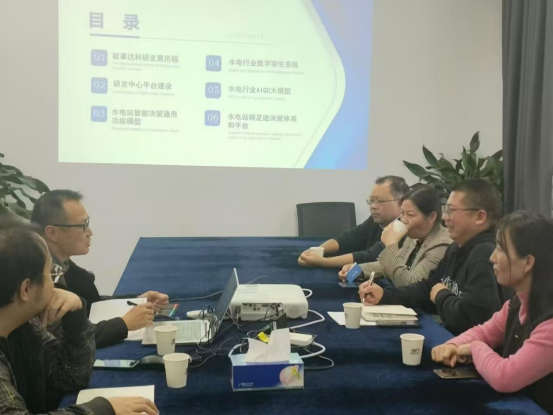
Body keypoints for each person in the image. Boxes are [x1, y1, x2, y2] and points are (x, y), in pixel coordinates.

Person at [0, 220, 159, 414]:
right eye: (51, 273)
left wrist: (75, 316)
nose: (55, 283)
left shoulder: (24, 324)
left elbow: (72, 376)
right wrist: (102, 409)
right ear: (26, 289)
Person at [431, 212, 553, 413]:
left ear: (528, 262)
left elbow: (506, 377)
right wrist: (453, 345)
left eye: (500, 249)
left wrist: (474, 348)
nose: (492, 257)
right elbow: (484, 332)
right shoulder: (517, 303)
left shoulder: (549, 324)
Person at [359, 179, 505, 335]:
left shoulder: (485, 254)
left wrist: (441, 295)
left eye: (452, 211)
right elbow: (427, 288)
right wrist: (386, 296)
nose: (445, 218)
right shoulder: (457, 247)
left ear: (480, 217)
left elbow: (473, 319)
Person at [31, 190, 169, 348]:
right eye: (82, 226)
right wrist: (123, 324)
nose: (89, 233)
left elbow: (90, 302)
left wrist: (136, 300)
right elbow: (65, 341)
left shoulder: (61, 264)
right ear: (53, 233)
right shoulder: (40, 277)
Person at [338, 186, 452, 287]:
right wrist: (358, 270)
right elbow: (391, 266)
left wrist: (390, 245)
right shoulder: (414, 236)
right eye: (402, 213)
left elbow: (411, 284)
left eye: (410, 215)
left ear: (432, 217)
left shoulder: (441, 246)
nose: (404, 220)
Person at [298, 176, 409, 268]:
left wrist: (323, 262)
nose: (373, 206)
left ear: (401, 203)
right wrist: (317, 251)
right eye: (371, 201)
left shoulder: (404, 229)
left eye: (380, 201)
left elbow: (371, 256)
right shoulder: (374, 220)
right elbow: (345, 240)